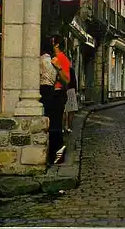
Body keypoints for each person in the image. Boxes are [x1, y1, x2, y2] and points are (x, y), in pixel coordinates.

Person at [50, 35, 70, 164]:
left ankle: (59, 155)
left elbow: (67, 80)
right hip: (53, 94)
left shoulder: (62, 58)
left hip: (58, 94)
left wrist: (58, 67)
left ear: (56, 44)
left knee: (56, 126)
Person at [39, 38, 57, 118]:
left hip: (43, 87)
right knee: (49, 112)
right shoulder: (54, 60)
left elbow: (39, 74)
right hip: (51, 88)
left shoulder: (41, 59)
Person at [63, 65, 78, 133]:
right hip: (71, 90)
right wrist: (76, 91)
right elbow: (74, 81)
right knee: (71, 111)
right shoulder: (71, 69)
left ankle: (63, 128)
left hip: (63, 90)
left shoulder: (61, 69)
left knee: (63, 110)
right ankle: (69, 127)